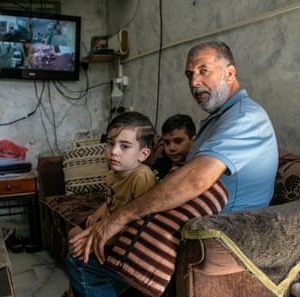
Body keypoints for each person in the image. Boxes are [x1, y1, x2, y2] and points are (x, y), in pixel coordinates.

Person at [67, 40, 278, 297]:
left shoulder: (246, 117)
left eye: (204, 70)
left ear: (230, 73)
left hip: (220, 234)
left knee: (84, 260)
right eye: (189, 74)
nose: (194, 82)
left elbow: (195, 179)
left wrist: (119, 219)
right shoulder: (217, 120)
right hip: (187, 220)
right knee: (84, 239)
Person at [63, 111, 157, 297]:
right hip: (110, 230)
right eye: (110, 143)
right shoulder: (113, 173)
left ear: (143, 154)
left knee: (77, 257)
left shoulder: (141, 177)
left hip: (126, 242)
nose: (114, 151)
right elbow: (112, 199)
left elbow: (139, 224)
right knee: (73, 234)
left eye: (124, 146)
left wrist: (98, 239)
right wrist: (99, 212)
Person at [151, 114, 196, 180]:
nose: (171, 148)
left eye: (178, 141)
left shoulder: (197, 167)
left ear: (193, 141)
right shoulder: (161, 163)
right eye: (167, 142)